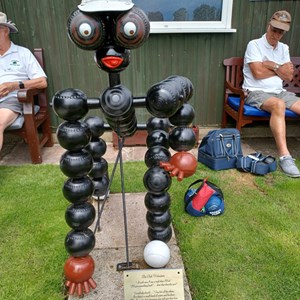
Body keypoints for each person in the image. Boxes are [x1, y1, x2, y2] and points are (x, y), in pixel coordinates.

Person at [242, 10, 300, 178]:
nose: (276, 34)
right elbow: (257, 73)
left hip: (280, 92)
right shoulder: (254, 45)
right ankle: (285, 157)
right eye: (274, 29)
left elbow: (288, 76)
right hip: (256, 92)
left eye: (280, 32)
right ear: (269, 25)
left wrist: (270, 65)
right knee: (278, 105)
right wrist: (278, 69)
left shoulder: (284, 48)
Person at [0, 12, 47, 154]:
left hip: (13, 99)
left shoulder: (22, 53)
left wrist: (14, 85)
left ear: (5, 31)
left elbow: (42, 82)